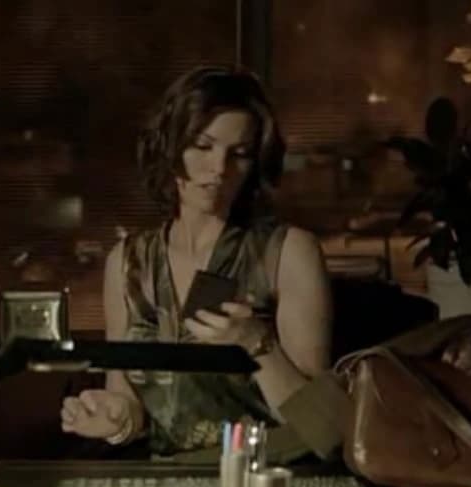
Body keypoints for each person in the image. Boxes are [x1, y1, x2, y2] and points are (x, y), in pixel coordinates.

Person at [59, 66, 333, 456]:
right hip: (169, 475)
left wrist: (257, 343)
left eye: (239, 154)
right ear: (169, 147)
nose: (219, 169)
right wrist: (115, 421)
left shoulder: (287, 252)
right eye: (203, 146)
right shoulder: (128, 264)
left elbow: (319, 427)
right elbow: (128, 404)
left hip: (266, 471)